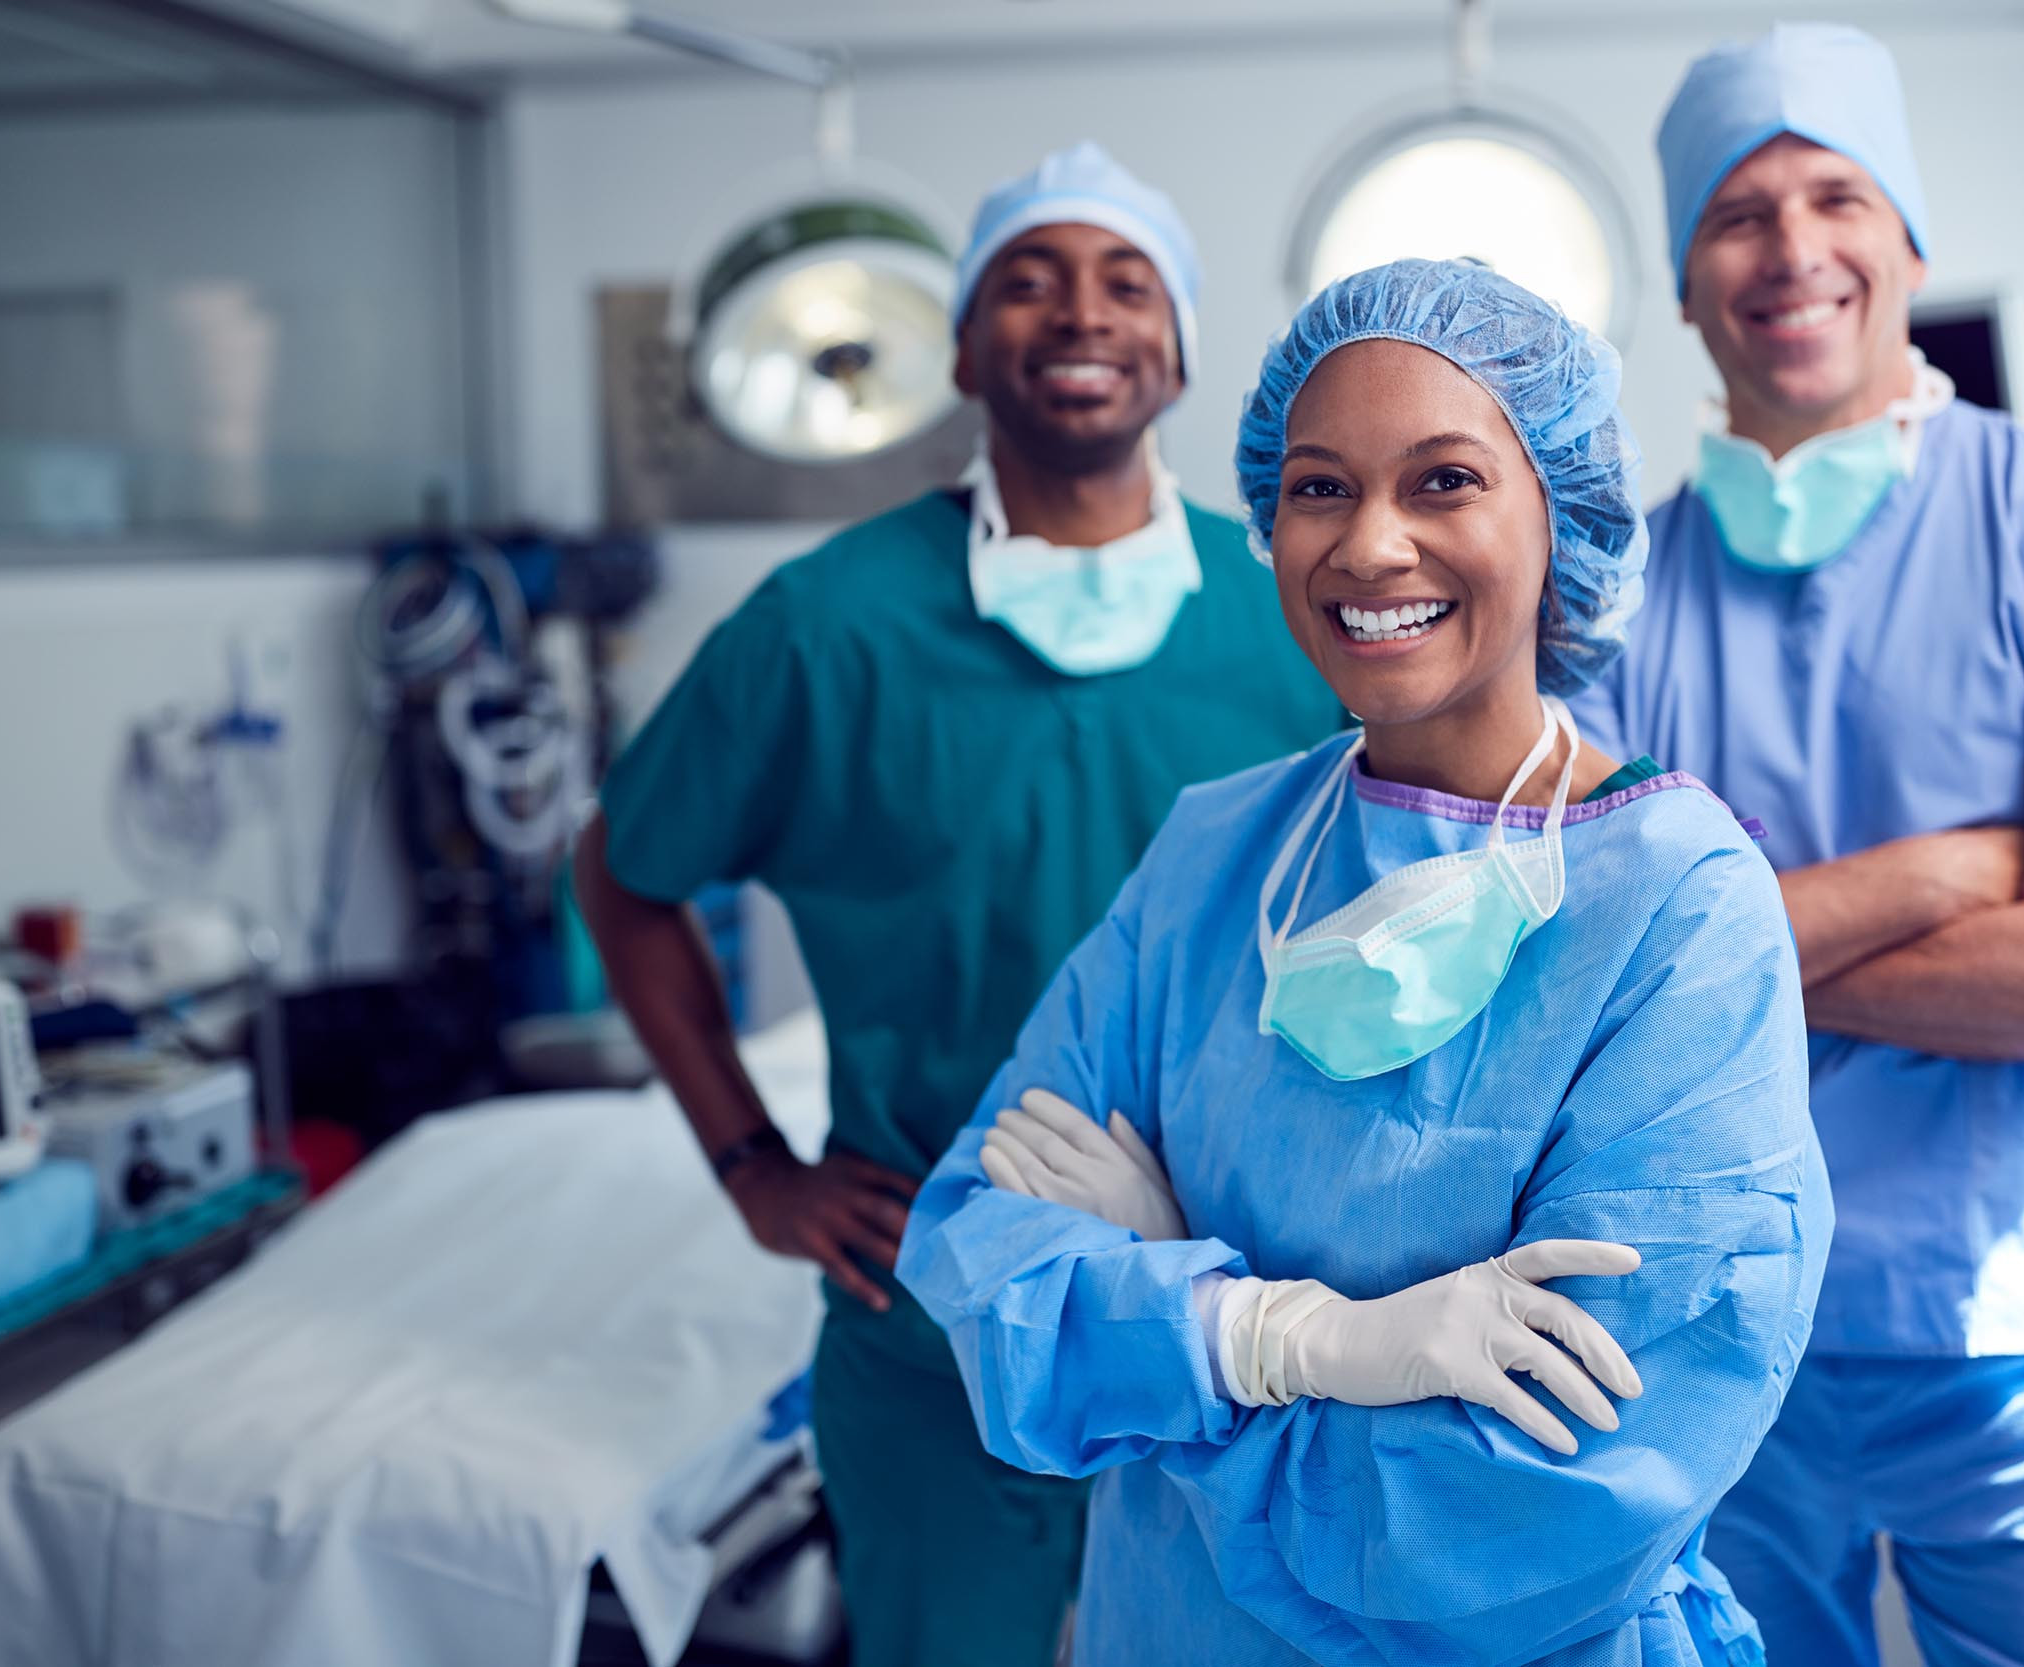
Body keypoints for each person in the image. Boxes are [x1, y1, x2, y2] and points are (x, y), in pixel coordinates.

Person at [899, 258, 1833, 1667]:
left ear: (1561, 516)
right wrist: (1283, 1339)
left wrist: (1168, 1330)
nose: (1372, 547)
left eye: (1446, 481)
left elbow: (1549, 1501)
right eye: (1320, 488)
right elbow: (979, 1243)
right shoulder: (1218, 854)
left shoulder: (1678, 906)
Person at [572, 141, 1336, 1667]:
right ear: (967, 346)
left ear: (1179, 349)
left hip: (1243, 1311)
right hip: (939, 1332)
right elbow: (621, 873)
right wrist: (750, 1164)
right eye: (1028, 282)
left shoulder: (1299, 612)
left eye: (1127, 282)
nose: (1080, 314)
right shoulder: (827, 623)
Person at [1566, 24, 2024, 1667]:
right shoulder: (1608, 615)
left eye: (1837, 196)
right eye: (1738, 214)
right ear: (1684, 282)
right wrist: (1950, 873)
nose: (1793, 250)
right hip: (1711, 1341)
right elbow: (1585, 981)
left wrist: (1721, 958)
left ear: (1907, 239)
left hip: (2023, 1344)